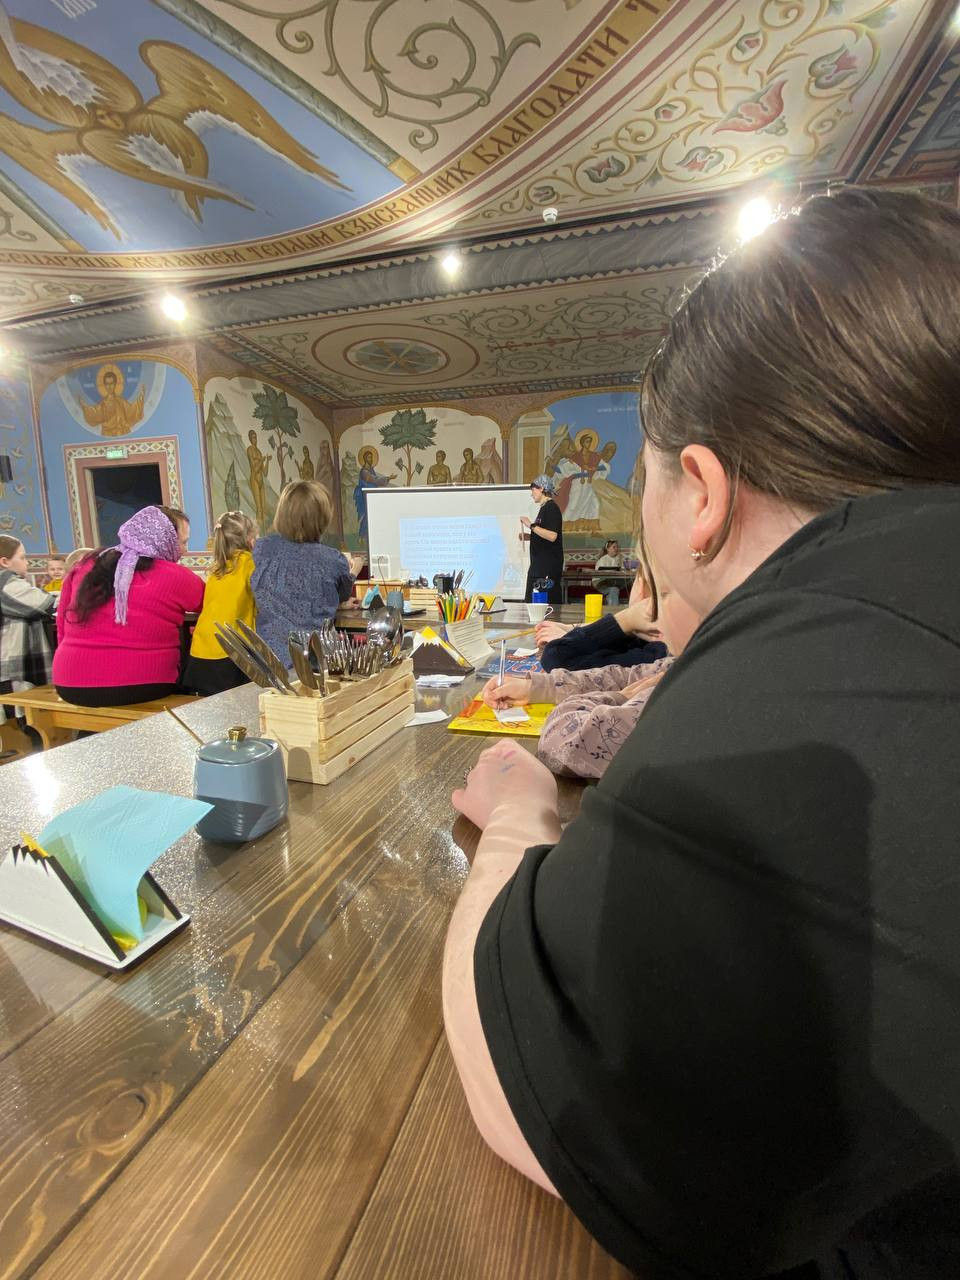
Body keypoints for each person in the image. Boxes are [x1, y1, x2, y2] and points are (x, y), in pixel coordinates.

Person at [444, 188, 960, 1279]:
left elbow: (533, 1086)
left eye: (643, 476)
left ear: (702, 494)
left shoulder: (818, 656)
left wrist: (518, 822)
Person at [481, 575, 697, 779]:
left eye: (663, 594)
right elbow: (625, 676)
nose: (646, 603)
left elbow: (560, 740)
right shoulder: (678, 659)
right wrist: (536, 687)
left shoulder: (692, 681)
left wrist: (625, 620)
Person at [53, 505, 203, 706]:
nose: (185, 550)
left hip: (69, 683)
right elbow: (209, 603)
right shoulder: (176, 576)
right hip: (143, 683)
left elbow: (62, 624)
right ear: (164, 539)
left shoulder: (86, 564)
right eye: (182, 542)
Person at [252, 479, 359, 663]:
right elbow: (342, 594)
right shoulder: (333, 560)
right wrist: (354, 571)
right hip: (314, 658)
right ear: (322, 519)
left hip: (268, 656)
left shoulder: (262, 549)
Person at [183, 510, 257, 696]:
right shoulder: (251, 563)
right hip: (232, 654)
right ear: (250, 539)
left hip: (200, 652)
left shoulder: (217, 569)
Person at [536, 566, 666, 671]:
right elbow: (617, 635)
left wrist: (626, 619)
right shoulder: (646, 640)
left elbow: (555, 658)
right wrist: (570, 629)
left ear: (641, 586)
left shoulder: (655, 655)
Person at [0, 535, 56, 693]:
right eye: (22, 557)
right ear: (5, 562)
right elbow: (47, 605)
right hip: (12, 672)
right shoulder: (5, 582)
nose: (27, 562)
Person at [520, 475, 563, 606]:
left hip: (546, 568)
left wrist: (530, 525)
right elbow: (544, 534)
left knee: (544, 606)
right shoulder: (544, 508)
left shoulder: (551, 508)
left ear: (542, 488)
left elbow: (552, 536)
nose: (532, 494)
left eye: (533, 490)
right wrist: (529, 536)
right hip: (538, 567)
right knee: (533, 604)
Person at [592, 538, 625, 604]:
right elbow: (600, 574)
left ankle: (610, 607)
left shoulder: (620, 558)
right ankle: (613, 608)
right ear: (608, 549)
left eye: (617, 547)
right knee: (614, 590)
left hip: (613, 583)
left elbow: (623, 570)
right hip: (601, 583)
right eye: (614, 547)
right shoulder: (602, 560)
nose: (616, 549)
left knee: (614, 589)